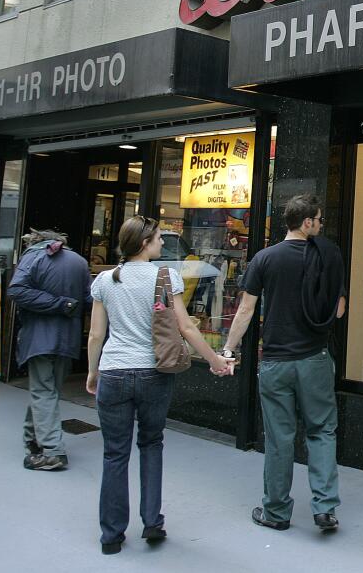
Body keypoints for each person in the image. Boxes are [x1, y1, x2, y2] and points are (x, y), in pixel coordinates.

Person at [86, 216, 233, 555]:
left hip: (114, 372)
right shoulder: (166, 277)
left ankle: (111, 536)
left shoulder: (106, 280)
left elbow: (96, 335)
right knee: (151, 444)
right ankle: (152, 521)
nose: (161, 244)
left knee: (114, 453)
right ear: (144, 243)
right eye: (156, 239)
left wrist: (93, 371)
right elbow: (186, 328)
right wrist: (214, 360)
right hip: (154, 373)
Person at [221, 194, 346, 533]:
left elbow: (245, 310)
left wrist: (228, 350)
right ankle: (325, 510)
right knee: (322, 431)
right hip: (315, 360)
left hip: (275, 361)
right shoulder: (327, 257)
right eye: (318, 220)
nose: (321, 226)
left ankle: (276, 512)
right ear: (307, 223)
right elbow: (338, 310)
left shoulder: (264, 258)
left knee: (279, 438)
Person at [9, 229, 92, 471]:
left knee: (43, 391)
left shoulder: (33, 257)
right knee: (47, 391)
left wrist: (57, 304)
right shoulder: (79, 261)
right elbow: (88, 299)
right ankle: (32, 440)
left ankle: (52, 451)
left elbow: (16, 290)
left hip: (39, 337)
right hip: (69, 339)